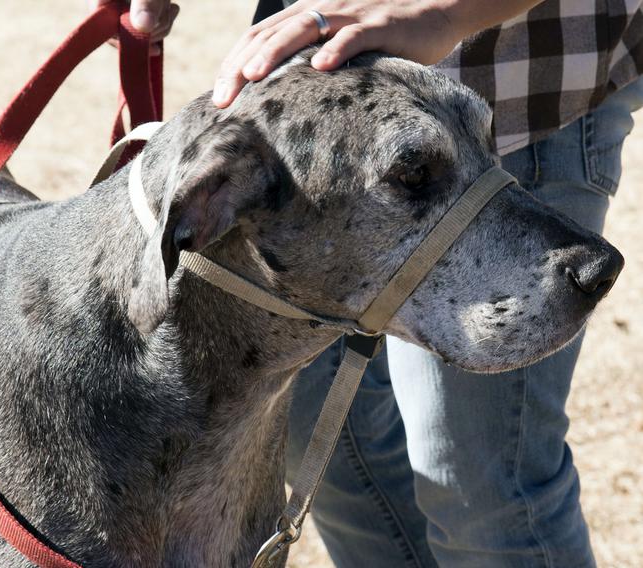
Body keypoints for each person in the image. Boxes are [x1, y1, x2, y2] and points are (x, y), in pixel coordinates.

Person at [101, 1, 643, 565]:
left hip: (521, 69)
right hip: (313, 107)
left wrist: (441, 12)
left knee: (480, 488)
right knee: (327, 448)